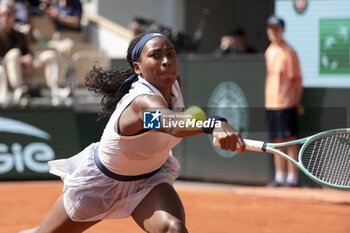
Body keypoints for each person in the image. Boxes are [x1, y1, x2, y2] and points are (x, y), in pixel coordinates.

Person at [20, 32, 246, 233]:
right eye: (156, 56)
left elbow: (176, 126)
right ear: (138, 67)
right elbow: (171, 124)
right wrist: (213, 124)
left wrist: (209, 127)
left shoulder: (175, 85)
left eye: (171, 54)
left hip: (149, 179)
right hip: (100, 184)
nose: (166, 61)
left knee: (173, 228)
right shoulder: (141, 103)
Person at [264, 16, 303, 187]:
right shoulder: (269, 51)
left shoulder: (289, 52)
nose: (273, 32)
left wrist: (295, 102)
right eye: (270, 29)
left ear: (282, 30)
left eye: (276, 28)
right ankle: (280, 177)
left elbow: (296, 80)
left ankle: (292, 179)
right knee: (276, 142)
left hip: (286, 104)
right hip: (271, 103)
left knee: (290, 140)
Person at [0, 2, 60, 104]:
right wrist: (21, 59)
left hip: (22, 67)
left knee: (50, 55)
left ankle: (56, 89)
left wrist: (28, 58)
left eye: (9, 14)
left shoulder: (19, 35)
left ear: (14, 16)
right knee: (14, 54)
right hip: (4, 67)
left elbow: (27, 52)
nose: (6, 17)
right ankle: (18, 90)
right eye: (2, 15)